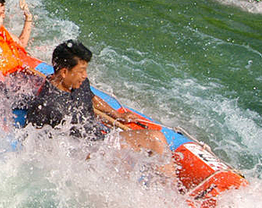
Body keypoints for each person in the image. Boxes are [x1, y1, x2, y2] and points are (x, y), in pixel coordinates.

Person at [26, 40, 170, 164]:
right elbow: (33, 140)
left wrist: (116, 115)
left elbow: (92, 98)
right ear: (64, 72)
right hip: (83, 158)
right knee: (152, 140)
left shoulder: (78, 83)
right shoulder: (46, 104)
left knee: (156, 139)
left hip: (101, 142)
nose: (85, 76)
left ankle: (169, 189)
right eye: (81, 71)